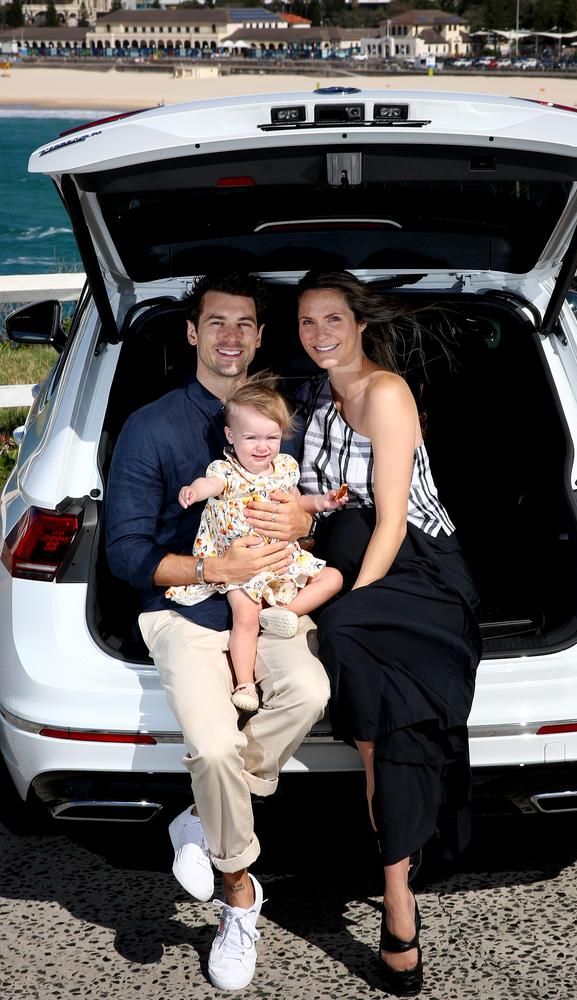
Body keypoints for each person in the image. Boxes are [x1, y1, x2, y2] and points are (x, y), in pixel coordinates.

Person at [104, 273, 330, 993]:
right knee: (212, 745)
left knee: (309, 693)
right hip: (186, 608)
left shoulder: (275, 416)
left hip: (267, 599)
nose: (232, 337)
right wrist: (211, 561)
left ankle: (203, 816)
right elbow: (126, 554)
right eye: (218, 323)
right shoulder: (152, 427)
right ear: (193, 334)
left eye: (246, 325)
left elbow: (308, 503)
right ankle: (240, 899)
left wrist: (304, 520)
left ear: (261, 337)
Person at [294, 270, 482, 997]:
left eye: (331, 320)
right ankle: (398, 881)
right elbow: (323, 504)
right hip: (349, 552)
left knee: (351, 642)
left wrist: (346, 602)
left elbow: (395, 520)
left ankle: (397, 893)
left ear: (359, 322)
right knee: (380, 729)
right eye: (307, 323)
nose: (319, 335)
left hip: (418, 567)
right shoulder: (316, 397)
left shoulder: (387, 393)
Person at [165, 377, 345, 713]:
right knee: (245, 617)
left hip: (282, 559)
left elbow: (298, 502)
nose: (262, 447)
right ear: (231, 437)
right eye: (251, 438)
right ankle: (245, 682)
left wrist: (323, 503)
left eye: (271, 437)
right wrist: (194, 491)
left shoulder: (285, 468)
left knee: (333, 577)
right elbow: (210, 483)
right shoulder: (228, 472)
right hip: (240, 565)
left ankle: (283, 615)